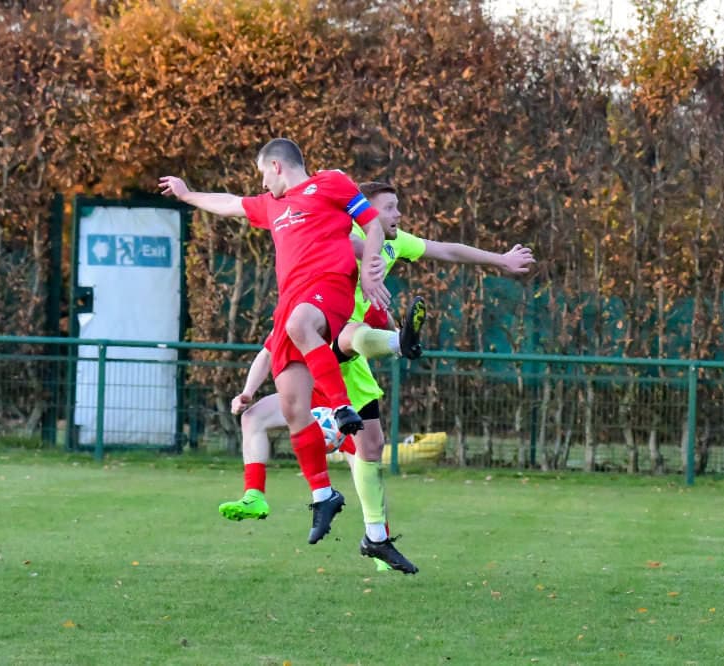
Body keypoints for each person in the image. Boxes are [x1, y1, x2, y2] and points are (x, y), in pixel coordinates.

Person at [220, 181, 536, 574]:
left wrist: (501, 260)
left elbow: (447, 250)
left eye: (396, 207)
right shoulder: (336, 231)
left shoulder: (392, 241)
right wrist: (249, 389)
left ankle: (376, 537)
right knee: (347, 336)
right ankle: (397, 344)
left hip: (354, 364)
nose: (397, 214)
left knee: (370, 449)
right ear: (363, 212)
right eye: (389, 207)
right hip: (326, 340)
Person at [159, 138, 389, 545]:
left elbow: (373, 226)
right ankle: (323, 495)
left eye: (263, 173)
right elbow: (231, 203)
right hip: (290, 305)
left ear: (277, 166)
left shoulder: (330, 183)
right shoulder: (272, 206)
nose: (262, 183)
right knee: (294, 406)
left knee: (301, 324)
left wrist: (370, 272)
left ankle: (341, 407)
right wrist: (187, 194)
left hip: (329, 288)